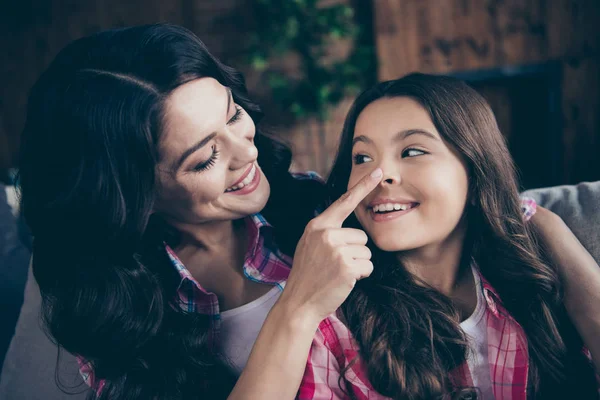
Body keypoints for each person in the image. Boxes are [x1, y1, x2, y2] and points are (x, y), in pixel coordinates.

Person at [17, 23, 380, 400]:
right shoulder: (113, 312)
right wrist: (298, 307)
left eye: (234, 115)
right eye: (206, 159)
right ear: (133, 195)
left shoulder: (314, 203)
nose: (248, 154)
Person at [298, 73, 600, 399]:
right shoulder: (334, 323)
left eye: (412, 151)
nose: (377, 176)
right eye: (362, 158)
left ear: (476, 170)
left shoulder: (536, 267)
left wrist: (549, 229)